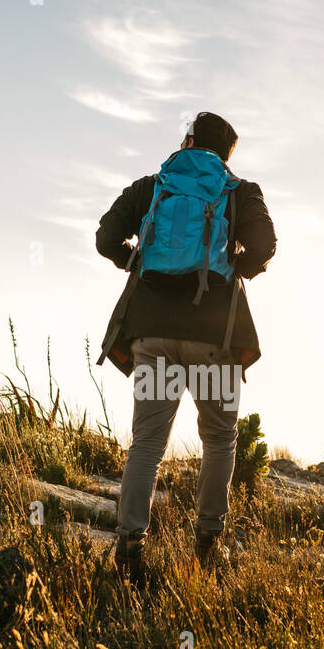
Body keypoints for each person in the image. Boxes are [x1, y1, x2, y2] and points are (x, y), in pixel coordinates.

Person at [95, 111, 277, 586]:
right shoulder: (239, 190)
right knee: (219, 440)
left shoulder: (152, 186)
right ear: (225, 154)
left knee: (149, 443)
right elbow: (265, 245)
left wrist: (135, 260)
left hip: (152, 333)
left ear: (189, 140)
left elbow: (105, 238)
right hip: (215, 336)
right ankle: (207, 545)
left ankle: (130, 547)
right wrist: (236, 269)